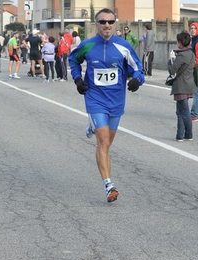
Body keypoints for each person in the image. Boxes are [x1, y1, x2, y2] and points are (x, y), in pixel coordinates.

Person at [69, 8, 145, 203]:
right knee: (103, 141)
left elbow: (138, 68)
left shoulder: (123, 46)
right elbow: (73, 61)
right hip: (95, 98)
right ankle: (108, 185)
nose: (107, 25)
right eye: (103, 22)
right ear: (96, 24)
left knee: (107, 144)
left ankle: (94, 126)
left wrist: (137, 80)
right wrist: (78, 79)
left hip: (116, 100)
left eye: (110, 22)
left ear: (115, 24)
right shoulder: (87, 45)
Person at [168, 31, 197, 142]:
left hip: (181, 86)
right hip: (189, 84)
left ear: (180, 42)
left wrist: (170, 60)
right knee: (180, 111)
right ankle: (180, 135)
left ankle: (189, 134)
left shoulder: (181, 55)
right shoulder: (191, 53)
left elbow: (172, 70)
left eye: (177, 41)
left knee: (184, 112)